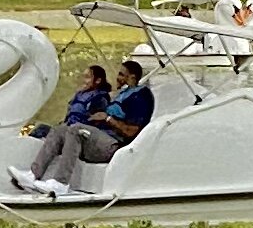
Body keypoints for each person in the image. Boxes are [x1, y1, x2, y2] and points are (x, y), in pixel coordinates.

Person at [16, 59, 153, 194]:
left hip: (113, 145)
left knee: (77, 129)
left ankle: (60, 183)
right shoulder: (123, 94)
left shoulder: (140, 97)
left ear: (133, 77)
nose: (117, 77)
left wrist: (108, 118)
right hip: (100, 139)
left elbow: (131, 132)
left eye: (121, 74)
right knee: (60, 130)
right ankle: (33, 175)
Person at [29, 62, 110, 137]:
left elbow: (95, 123)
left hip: (77, 134)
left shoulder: (100, 98)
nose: (84, 80)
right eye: (83, 76)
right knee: (40, 128)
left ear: (98, 80)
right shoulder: (80, 94)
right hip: (67, 128)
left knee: (42, 130)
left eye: (87, 77)